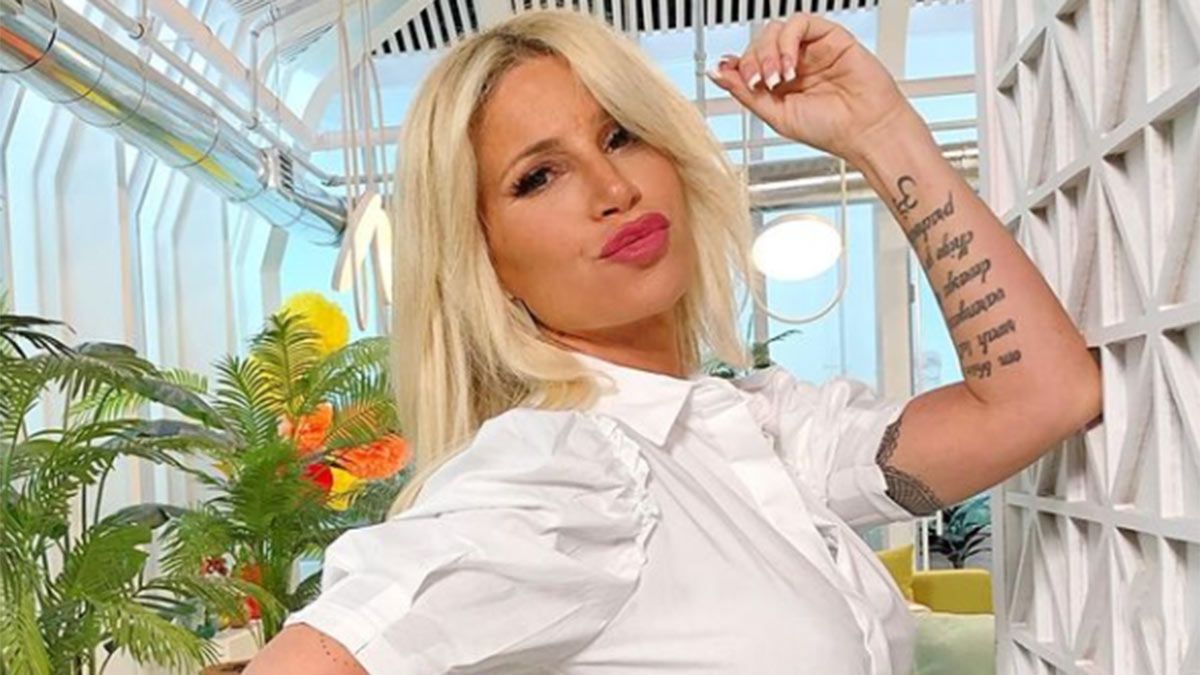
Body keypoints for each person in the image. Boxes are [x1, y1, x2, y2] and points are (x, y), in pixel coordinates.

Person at [244, 9, 1101, 674]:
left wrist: (879, 132)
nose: (611, 186)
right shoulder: (560, 469)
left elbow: (1044, 396)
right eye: (538, 176)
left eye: (620, 134)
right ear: (485, 260)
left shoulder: (764, 430)